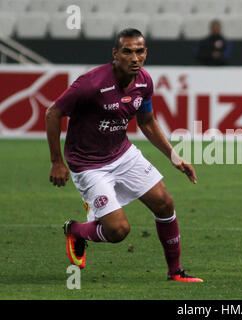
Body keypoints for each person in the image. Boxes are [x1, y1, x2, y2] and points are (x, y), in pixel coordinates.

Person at [45, 28, 203, 282]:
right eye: (127, 52)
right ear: (115, 54)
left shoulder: (144, 81)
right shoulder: (91, 84)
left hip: (122, 154)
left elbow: (148, 122)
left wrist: (175, 157)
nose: (134, 58)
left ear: (145, 53)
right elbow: (52, 113)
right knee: (118, 231)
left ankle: (175, 272)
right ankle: (75, 230)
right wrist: (56, 161)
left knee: (165, 203)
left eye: (139, 51)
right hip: (89, 165)